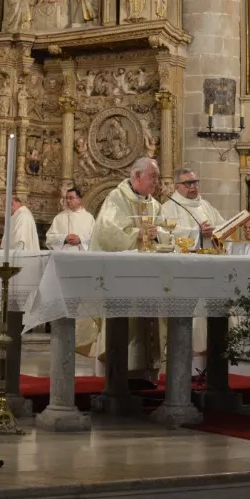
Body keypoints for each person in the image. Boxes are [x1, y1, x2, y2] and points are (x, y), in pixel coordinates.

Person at [90, 156, 163, 376]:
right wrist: (139, 234)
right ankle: (117, 375)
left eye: (158, 177)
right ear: (138, 176)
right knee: (124, 324)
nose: (156, 182)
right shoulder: (116, 198)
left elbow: (164, 234)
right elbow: (107, 233)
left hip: (149, 278)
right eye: (153, 177)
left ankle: (145, 374)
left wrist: (158, 236)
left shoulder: (155, 205)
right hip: (121, 276)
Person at [161, 167, 221, 247]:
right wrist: (198, 232)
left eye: (195, 182)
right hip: (184, 257)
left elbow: (222, 226)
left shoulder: (206, 205)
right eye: (187, 183)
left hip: (211, 255)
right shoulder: (167, 208)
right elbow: (167, 234)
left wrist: (213, 231)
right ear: (176, 186)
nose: (192, 186)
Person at [46, 185, 95, 250]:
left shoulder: (89, 218)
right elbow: (50, 238)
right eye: (67, 198)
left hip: (83, 256)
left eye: (71, 198)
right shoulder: (59, 217)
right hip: (64, 256)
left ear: (79, 200)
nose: (68, 201)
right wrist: (64, 238)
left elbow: (95, 238)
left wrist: (80, 239)